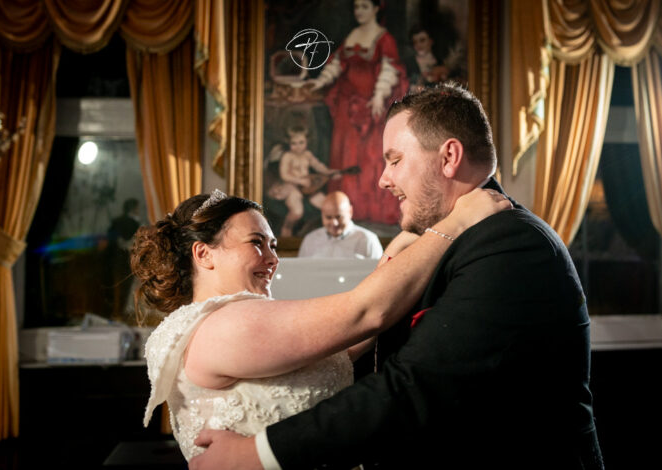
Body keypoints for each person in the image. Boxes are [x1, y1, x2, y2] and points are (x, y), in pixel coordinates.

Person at [188, 82, 604, 470]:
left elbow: (413, 389)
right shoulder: (451, 241)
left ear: (449, 156)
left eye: (395, 160)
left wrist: (257, 454)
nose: (383, 180)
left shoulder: (511, 244)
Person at [130, 185, 509, 461]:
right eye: (256, 243)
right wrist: (459, 221)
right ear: (204, 254)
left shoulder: (214, 323)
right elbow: (364, 313)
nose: (272, 258)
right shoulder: (223, 325)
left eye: (274, 245)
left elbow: (344, 342)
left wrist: (398, 251)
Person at [306, 0, 408, 225]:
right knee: (346, 152)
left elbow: (389, 68)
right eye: (356, 7)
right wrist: (320, 81)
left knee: (369, 156)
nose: (359, 11)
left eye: (364, 7)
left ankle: (371, 211)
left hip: (372, 106)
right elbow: (336, 64)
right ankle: (346, 208)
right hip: (347, 105)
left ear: (375, 9)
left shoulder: (383, 38)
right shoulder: (353, 34)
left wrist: (379, 95)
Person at [266, 125, 340, 237]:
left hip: (308, 187)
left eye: (301, 142)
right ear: (289, 143)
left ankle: (326, 233)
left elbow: (318, 166)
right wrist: (300, 181)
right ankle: (286, 228)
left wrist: (329, 173)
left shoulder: (307, 155)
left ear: (307, 142)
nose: (298, 146)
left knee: (327, 206)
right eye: (294, 143)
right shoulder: (287, 156)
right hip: (292, 187)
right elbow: (284, 175)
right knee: (297, 212)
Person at [298, 191, 383, 259]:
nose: (334, 223)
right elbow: (300, 274)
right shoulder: (310, 240)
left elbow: (381, 276)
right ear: (322, 214)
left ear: (350, 212)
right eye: (328, 217)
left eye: (339, 217)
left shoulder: (368, 239)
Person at [105, 197, 141, 318]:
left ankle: (115, 313)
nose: (138, 210)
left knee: (116, 288)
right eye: (137, 208)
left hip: (114, 260)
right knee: (124, 289)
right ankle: (119, 314)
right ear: (133, 208)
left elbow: (110, 239)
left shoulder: (116, 221)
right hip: (125, 260)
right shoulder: (134, 223)